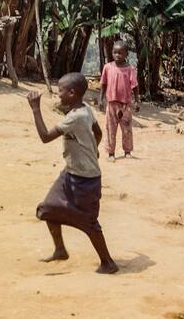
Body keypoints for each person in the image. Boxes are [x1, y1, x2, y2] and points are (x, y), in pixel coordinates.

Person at [28, 74, 119, 274]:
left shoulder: (75, 118)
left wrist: (35, 109)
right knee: (48, 208)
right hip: (70, 173)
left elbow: (45, 137)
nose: (58, 94)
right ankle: (60, 250)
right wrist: (93, 150)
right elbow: (98, 132)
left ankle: (108, 263)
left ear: (72, 93)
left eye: (61, 90)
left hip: (85, 180)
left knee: (89, 223)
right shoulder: (86, 110)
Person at [98, 40, 140, 161]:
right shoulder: (107, 67)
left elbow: (135, 86)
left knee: (126, 128)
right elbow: (103, 84)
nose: (117, 55)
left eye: (120, 53)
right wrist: (100, 99)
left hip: (125, 104)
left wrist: (137, 101)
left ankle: (127, 151)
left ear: (126, 54)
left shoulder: (129, 69)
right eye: (115, 52)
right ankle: (111, 153)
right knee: (110, 128)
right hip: (111, 103)